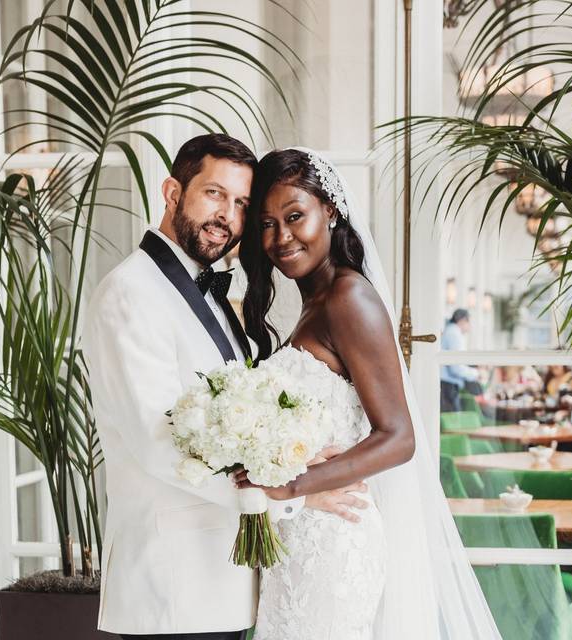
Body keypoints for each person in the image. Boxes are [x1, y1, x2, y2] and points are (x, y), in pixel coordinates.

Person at [83, 134, 365, 639]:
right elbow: (158, 445)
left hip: (224, 582)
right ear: (172, 192)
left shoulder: (209, 289)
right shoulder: (129, 294)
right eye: (214, 194)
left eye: (240, 204)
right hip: (173, 587)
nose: (227, 217)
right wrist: (293, 495)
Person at [237, 148, 501, 639]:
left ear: (330, 211)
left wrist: (292, 484)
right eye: (267, 225)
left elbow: (399, 436)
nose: (281, 238)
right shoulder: (313, 302)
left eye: (295, 217)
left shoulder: (348, 298)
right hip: (299, 539)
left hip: (334, 545)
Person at [439, 308, 480, 411]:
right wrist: (476, 374)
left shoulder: (449, 331)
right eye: (468, 322)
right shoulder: (454, 334)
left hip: (446, 385)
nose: (469, 326)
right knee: (453, 421)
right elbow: (456, 368)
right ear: (462, 320)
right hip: (448, 386)